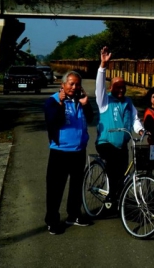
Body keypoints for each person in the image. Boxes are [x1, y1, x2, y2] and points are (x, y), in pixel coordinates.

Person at [94, 47, 145, 210]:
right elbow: (99, 86)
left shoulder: (128, 102)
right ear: (111, 88)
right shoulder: (104, 101)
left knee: (123, 170)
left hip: (122, 145)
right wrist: (103, 66)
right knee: (114, 163)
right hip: (105, 142)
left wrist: (141, 130)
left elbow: (135, 119)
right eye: (117, 87)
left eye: (123, 87)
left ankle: (119, 196)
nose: (121, 90)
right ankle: (111, 194)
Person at [43, 71, 94, 235]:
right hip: (60, 151)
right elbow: (53, 121)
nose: (74, 87)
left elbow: (91, 118)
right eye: (71, 84)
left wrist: (86, 105)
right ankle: (52, 221)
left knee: (76, 185)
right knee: (55, 188)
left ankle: (74, 214)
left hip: (79, 150)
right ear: (63, 85)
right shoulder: (53, 101)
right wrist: (61, 104)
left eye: (77, 84)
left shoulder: (80, 100)